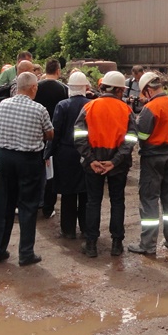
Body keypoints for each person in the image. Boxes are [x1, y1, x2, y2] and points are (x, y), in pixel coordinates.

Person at [0, 71, 52, 266]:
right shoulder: (39, 109)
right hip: (29, 160)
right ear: (34, 87)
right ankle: (25, 253)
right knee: (28, 205)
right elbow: (49, 133)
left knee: (3, 204)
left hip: (5, 157)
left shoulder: (3, 104)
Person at [74, 70, 138, 257]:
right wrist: (115, 161)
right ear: (119, 90)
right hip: (118, 165)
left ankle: (91, 244)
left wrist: (91, 160)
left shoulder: (89, 107)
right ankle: (116, 244)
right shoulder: (125, 110)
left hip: (93, 164)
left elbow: (79, 137)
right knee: (117, 201)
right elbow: (131, 138)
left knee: (93, 202)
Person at [128, 72, 168, 255]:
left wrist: (136, 124)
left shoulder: (150, 108)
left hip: (152, 158)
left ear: (148, 90)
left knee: (149, 200)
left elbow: (142, 135)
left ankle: (148, 245)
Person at [44, 71, 91, 240]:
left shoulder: (62, 106)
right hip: (86, 153)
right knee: (85, 192)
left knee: (68, 193)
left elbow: (55, 133)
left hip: (65, 154)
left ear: (70, 88)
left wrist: (48, 154)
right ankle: (86, 228)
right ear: (85, 87)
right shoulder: (91, 105)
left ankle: (68, 229)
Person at [34, 59, 69, 218]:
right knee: (50, 172)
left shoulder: (37, 87)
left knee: (35, 170)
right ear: (58, 71)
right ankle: (48, 206)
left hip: (35, 133)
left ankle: (34, 202)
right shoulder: (63, 89)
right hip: (54, 135)